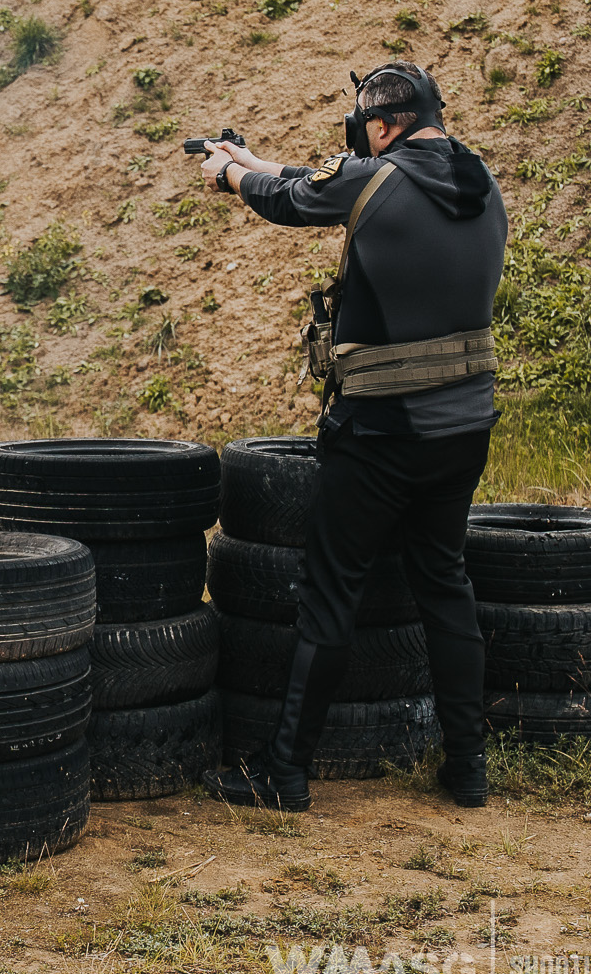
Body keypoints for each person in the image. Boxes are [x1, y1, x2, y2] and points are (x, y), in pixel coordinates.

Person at [194, 62, 509, 812]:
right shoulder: (481, 180)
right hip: (464, 427)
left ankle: (284, 771)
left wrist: (227, 176)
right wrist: (251, 157)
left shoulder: (376, 178)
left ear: (383, 125)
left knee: (331, 594)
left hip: (379, 432)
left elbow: (293, 199)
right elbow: (324, 180)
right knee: (445, 586)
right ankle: (467, 767)